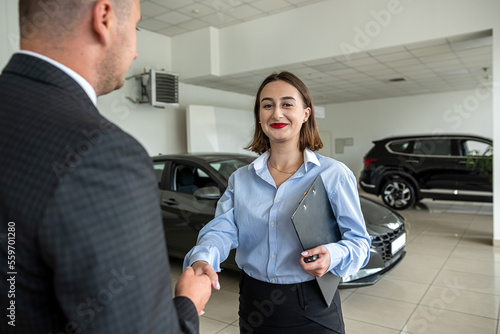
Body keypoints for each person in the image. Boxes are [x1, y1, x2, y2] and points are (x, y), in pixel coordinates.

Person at [0, 1, 212, 333]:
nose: (136, 53)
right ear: (104, 17)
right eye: (137, 28)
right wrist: (187, 302)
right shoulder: (104, 155)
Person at [184, 71, 371, 333]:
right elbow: (220, 231)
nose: (277, 113)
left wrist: (333, 255)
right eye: (267, 105)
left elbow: (360, 244)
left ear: (306, 114)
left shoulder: (333, 174)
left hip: (312, 305)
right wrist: (203, 259)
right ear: (259, 117)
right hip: (254, 301)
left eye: (287, 104)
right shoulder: (241, 179)